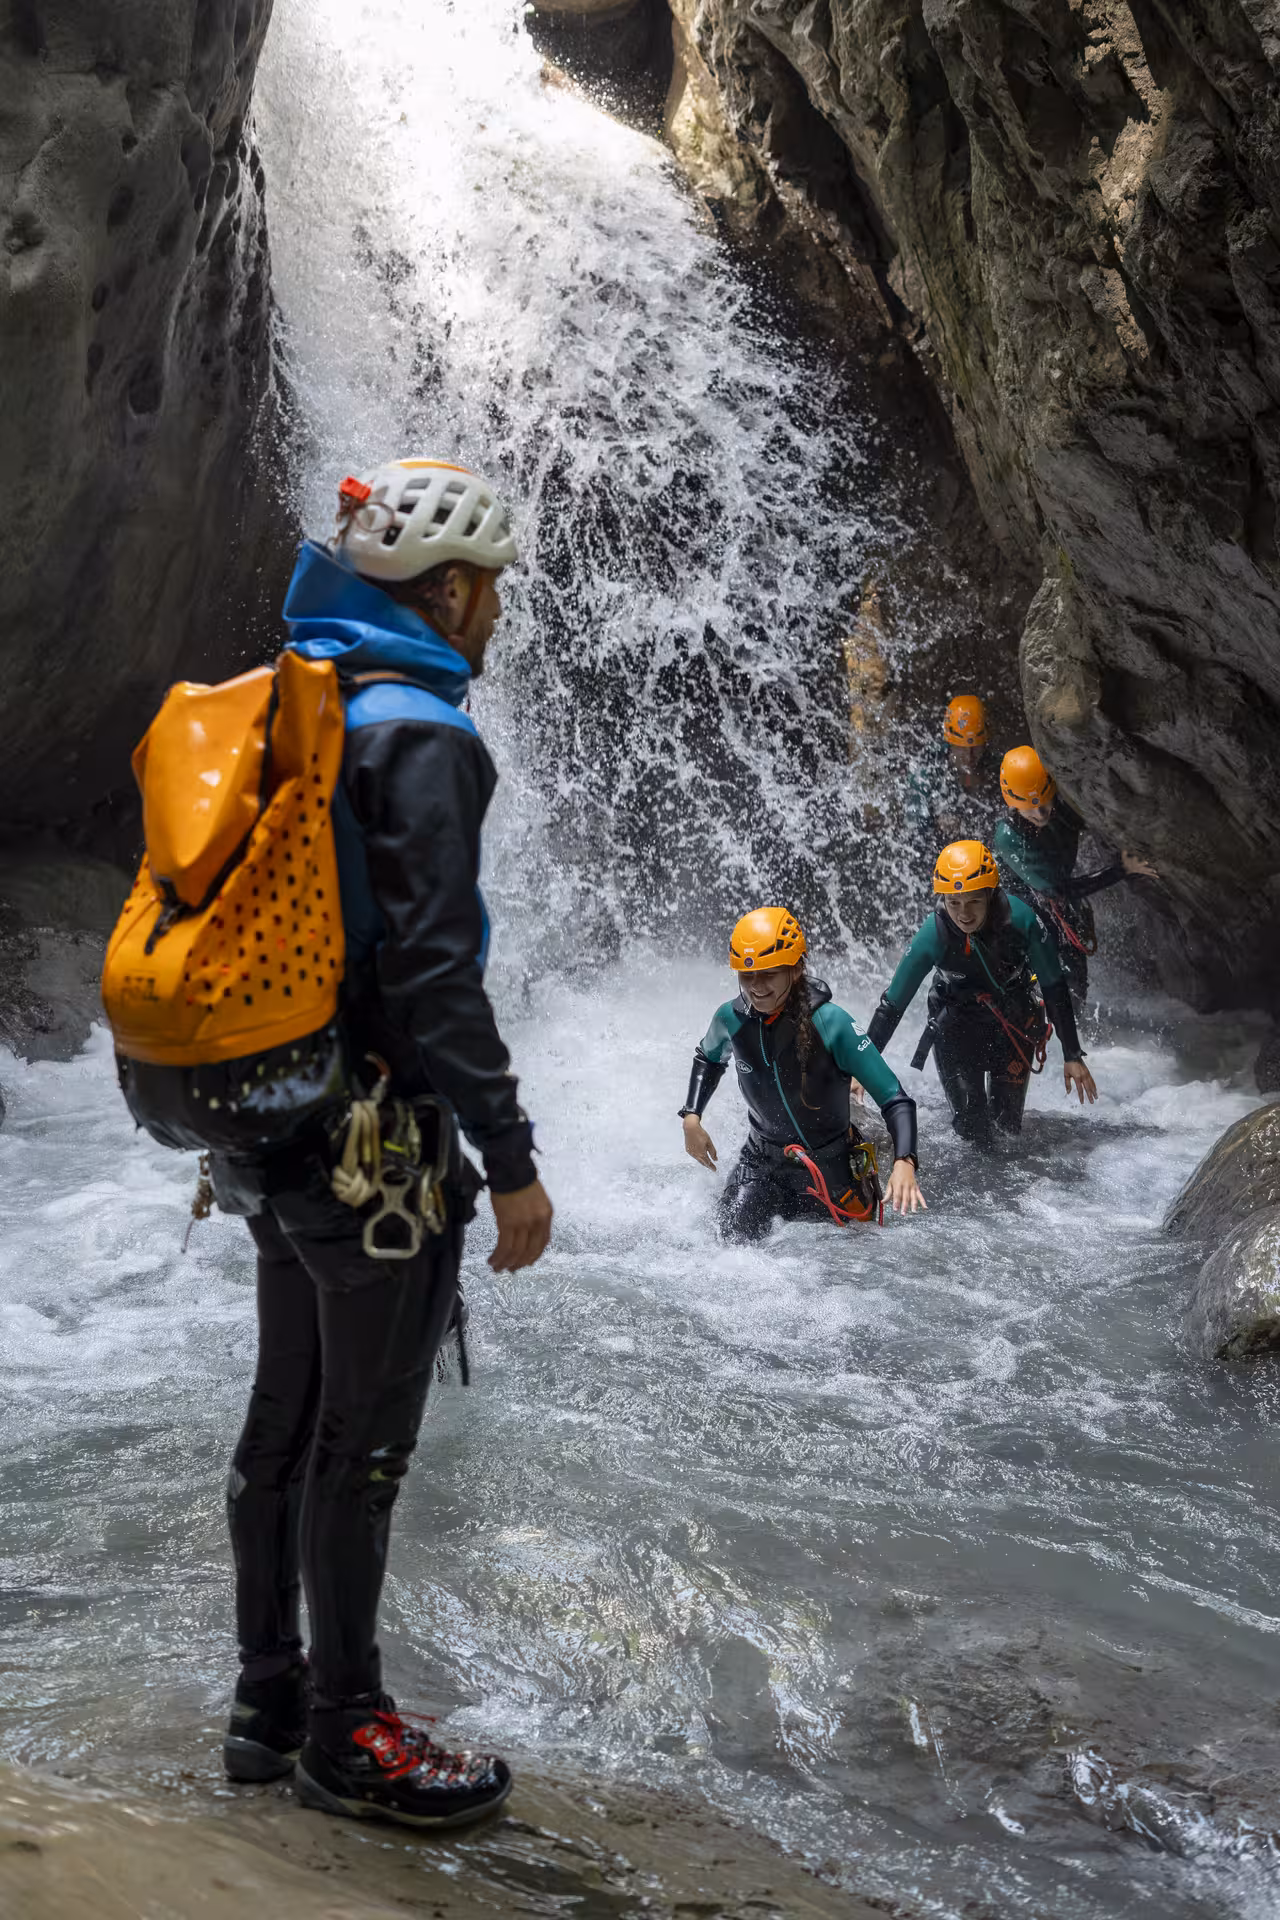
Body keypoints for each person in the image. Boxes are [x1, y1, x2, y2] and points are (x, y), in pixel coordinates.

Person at [218, 458, 553, 1829]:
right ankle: (352, 1736)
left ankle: (268, 1701)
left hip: (271, 1124)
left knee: (283, 1423)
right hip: (377, 1150)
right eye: (493, 597)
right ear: (455, 590)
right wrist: (513, 1155)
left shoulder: (310, 696)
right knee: (360, 1447)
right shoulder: (419, 728)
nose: (498, 622)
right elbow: (431, 974)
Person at [680, 907, 925, 1242]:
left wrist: (905, 1162)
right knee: (725, 1250)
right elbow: (707, 1058)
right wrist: (691, 1118)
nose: (757, 987)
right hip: (761, 1166)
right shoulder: (730, 1019)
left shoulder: (832, 1023)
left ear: (795, 969)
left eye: (768, 974)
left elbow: (895, 1099)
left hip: (833, 1171)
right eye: (747, 976)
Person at [866, 840, 1096, 1147]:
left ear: (990, 895)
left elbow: (1054, 986)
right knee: (972, 1129)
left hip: (1013, 1022)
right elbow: (892, 1004)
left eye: (973, 901)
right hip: (956, 1028)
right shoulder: (933, 934)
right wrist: (862, 1067)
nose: (964, 914)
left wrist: (1072, 1055)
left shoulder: (1021, 920)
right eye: (954, 902)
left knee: (1007, 1130)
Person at [992, 746, 1157, 1004]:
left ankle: (1076, 1029)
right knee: (1043, 988)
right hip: (1022, 919)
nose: (1040, 813)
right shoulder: (1008, 837)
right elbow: (1058, 889)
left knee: (1075, 988)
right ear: (1013, 805)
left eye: (1044, 802)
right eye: (1029, 808)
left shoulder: (1061, 808)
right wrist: (1122, 869)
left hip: (1057, 907)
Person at [905, 694, 999, 849]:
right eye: (962, 748)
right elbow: (914, 834)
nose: (970, 756)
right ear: (950, 742)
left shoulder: (995, 766)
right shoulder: (926, 772)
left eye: (976, 748)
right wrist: (935, 822)